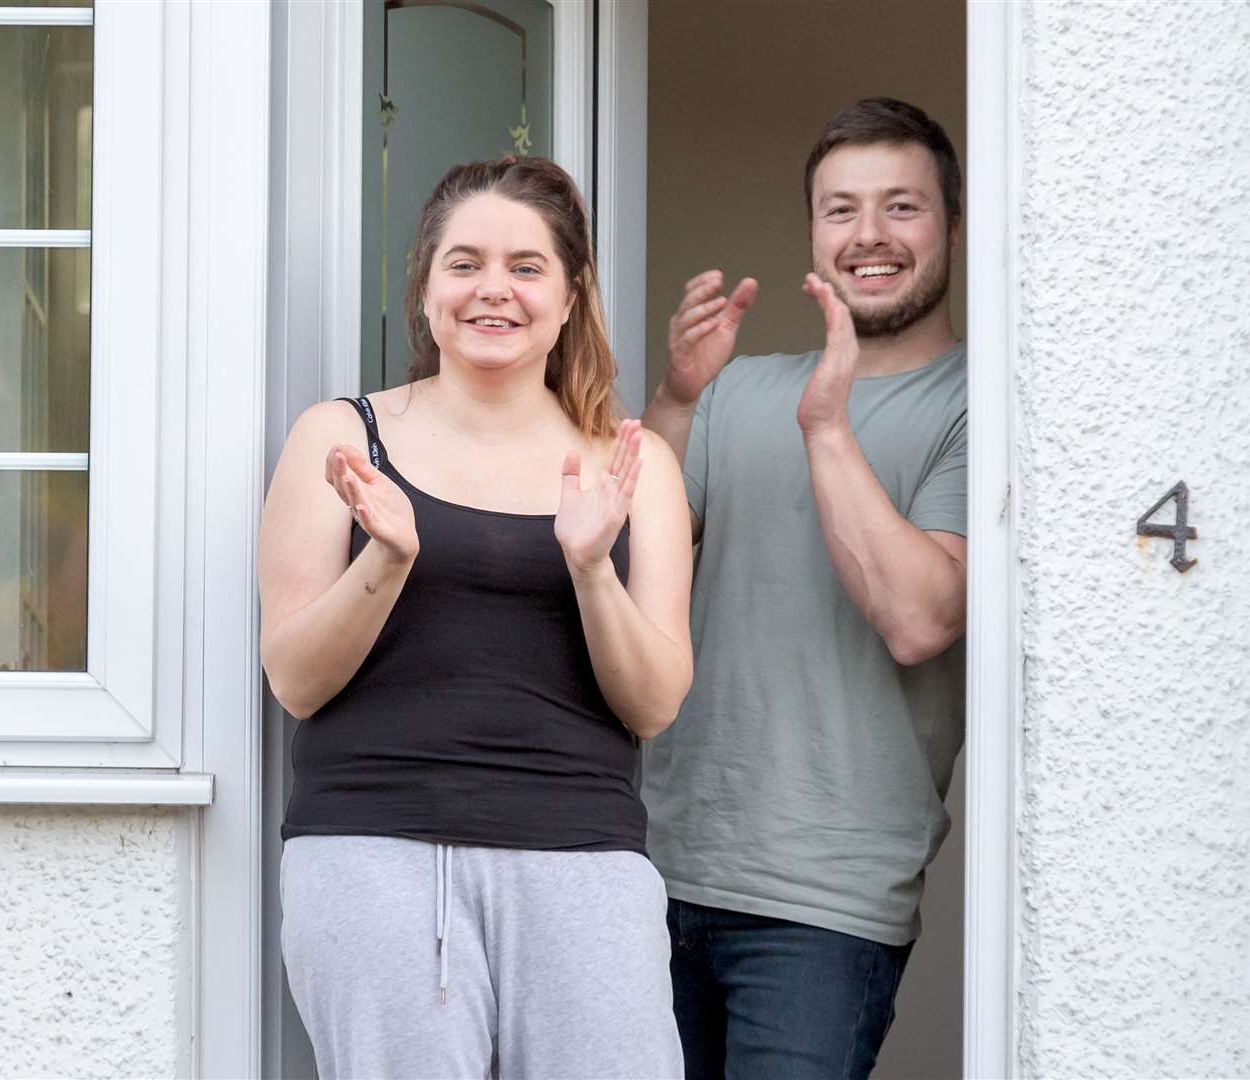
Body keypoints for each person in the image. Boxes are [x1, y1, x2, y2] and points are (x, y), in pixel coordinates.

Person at [260, 156, 694, 1078]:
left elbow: (654, 704)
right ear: (426, 290)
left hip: (584, 859)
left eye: (526, 267)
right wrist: (388, 558)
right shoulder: (340, 441)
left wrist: (590, 569)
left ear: (570, 297)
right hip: (373, 853)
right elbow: (294, 681)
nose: (492, 289)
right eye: (464, 264)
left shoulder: (634, 462)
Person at [639, 97, 969, 1079]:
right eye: (840, 210)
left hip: (825, 912)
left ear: (953, 223)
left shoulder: (981, 405)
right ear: (813, 235)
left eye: (901, 207)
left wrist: (828, 426)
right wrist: (676, 398)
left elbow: (919, 618)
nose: (868, 236)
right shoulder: (740, 392)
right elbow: (621, 563)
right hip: (654, 876)